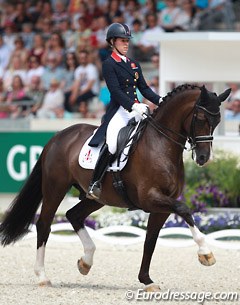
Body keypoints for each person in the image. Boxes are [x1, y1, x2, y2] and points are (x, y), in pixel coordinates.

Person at [87, 22, 161, 200]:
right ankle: (95, 183)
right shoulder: (109, 64)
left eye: (127, 40)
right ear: (112, 42)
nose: (126, 44)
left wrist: (161, 100)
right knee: (112, 143)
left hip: (137, 109)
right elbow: (116, 91)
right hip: (120, 110)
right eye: (122, 40)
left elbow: (144, 89)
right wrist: (134, 105)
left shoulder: (134, 65)